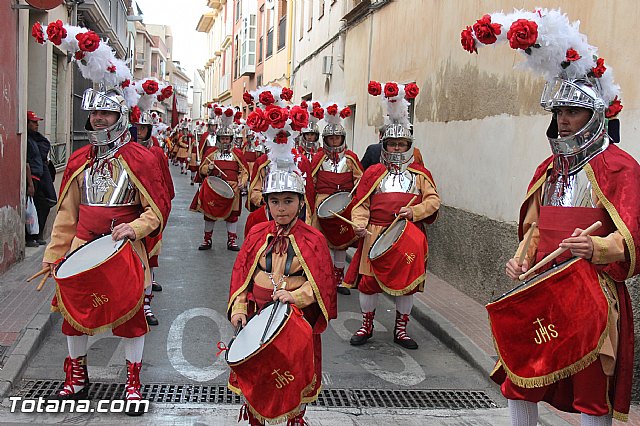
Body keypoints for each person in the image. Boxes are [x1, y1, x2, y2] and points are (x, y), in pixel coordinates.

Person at [461, 9, 640, 425]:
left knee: (592, 392)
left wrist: (596, 246)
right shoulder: (546, 169)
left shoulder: (621, 168)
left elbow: (631, 236)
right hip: (544, 286)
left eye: (572, 112)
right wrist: (521, 257)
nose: (562, 119)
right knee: (519, 378)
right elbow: (534, 230)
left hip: (591, 291)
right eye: (558, 111)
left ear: (594, 115)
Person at [40, 86, 170, 414]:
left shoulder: (140, 158)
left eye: (106, 113)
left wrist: (134, 229)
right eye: (94, 113)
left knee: (130, 318)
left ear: (119, 117)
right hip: (82, 249)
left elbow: (156, 210)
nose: (98, 119)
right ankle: (77, 376)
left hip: (123, 251)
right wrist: (54, 256)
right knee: (74, 316)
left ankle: (133, 384)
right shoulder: (78, 159)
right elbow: (67, 215)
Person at [227, 124, 336, 426]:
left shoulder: (313, 238)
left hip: (295, 325)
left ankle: (295, 419)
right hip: (257, 319)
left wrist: (296, 296)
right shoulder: (256, 233)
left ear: (301, 203)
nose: (281, 209)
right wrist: (238, 309)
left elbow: (322, 286)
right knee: (260, 381)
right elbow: (241, 278)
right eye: (274, 202)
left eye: (288, 201)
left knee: (293, 379)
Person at [344, 81, 440, 350]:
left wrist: (415, 211)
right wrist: (360, 226)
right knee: (368, 284)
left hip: (407, 236)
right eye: (392, 144)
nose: (397, 149)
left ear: (409, 145)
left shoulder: (420, 174)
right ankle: (366, 325)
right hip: (375, 236)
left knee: (406, 286)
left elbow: (433, 201)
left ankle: (401, 329)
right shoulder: (373, 173)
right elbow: (360, 205)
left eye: (401, 144)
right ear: (384, 145)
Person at [310, 105, 363, 295]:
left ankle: (339, 279)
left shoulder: (350, 158)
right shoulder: (318, 158)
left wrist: (354, 196)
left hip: (344, 205)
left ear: (342, 138)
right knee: (319, 241)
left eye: (337, 138)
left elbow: (360, 179)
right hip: (321, 204)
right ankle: (322, 277)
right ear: (325, 140)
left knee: (341, 243)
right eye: (330, 138)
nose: (334, 141)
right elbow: (311, 182)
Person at [132, 109, 175, 326]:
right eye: (136, 127)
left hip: (149, 212)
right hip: (128, 213)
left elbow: (164, 182)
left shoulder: (157, 153)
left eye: (143, 128)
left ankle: (146, 306)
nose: (139, 132)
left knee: (150, 256)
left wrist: (162, 207)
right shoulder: (121, 152)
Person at [190, 117, 249, 251]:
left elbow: (244, 171)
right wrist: (208, 169)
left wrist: (242, 182)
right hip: (214, 189)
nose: (225, 141)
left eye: (227, 139)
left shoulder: (237, 154)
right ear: (219, 139)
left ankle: (232, 240)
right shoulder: (212, 153)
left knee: (232, 216)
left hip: (233, 189)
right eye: (222, 138)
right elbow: (202, 170)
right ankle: (207, 240)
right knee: (210, 214)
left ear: (231, 139)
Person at [26, 111, 57, 245]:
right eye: (33, 122)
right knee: (33, 207)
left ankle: (37, 235)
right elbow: (26, 162)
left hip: (39, 177)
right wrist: (30, 184)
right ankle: (30, 237)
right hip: (32, 177)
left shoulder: (35, 139)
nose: (36, 125)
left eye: (37, 122)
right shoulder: (27, 141)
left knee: (43, 204)